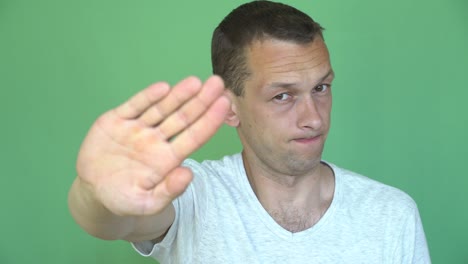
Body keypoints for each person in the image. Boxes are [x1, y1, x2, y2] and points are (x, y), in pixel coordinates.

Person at [68, 1, 431, 263]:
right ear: (229, 108)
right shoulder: (194, 194)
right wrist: (95, 195)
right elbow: (114, 220)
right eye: (283, 95)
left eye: (321, 88)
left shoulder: (391, 215)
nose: (314, 119)